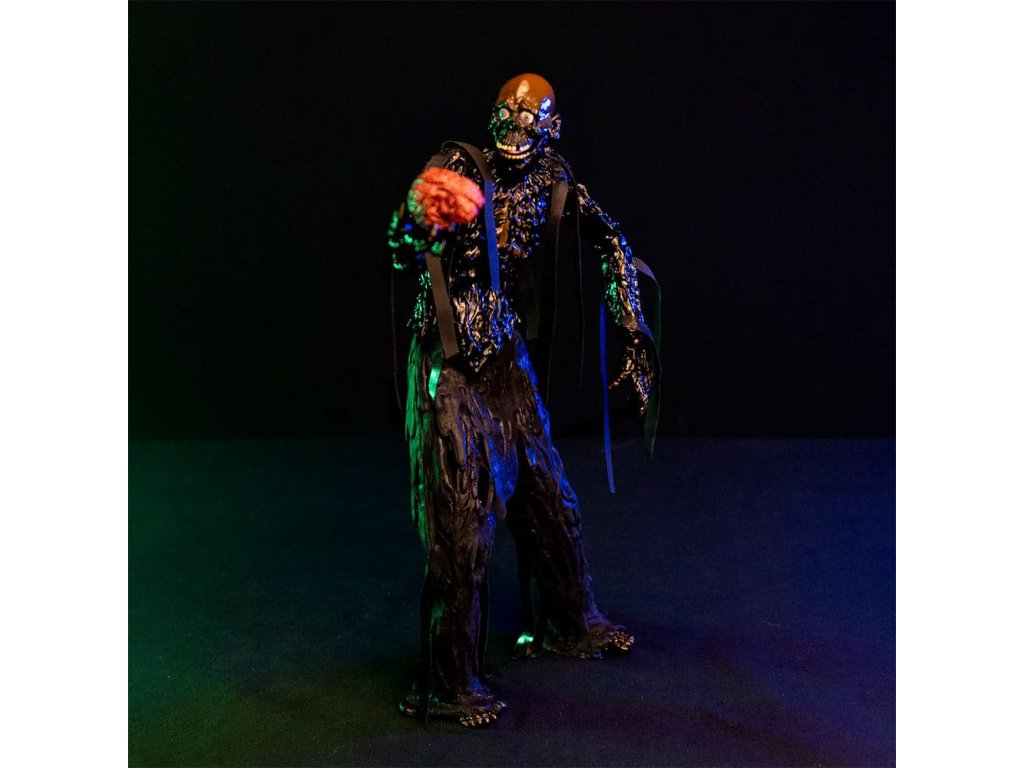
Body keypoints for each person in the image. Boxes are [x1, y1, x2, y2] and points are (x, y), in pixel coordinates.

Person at [387, 73, 657, 727]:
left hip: (505, 356)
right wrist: (419, 215)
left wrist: (634, 330)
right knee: (462, 524)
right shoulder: (459, 168)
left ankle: (573, 620)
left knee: (550, 496)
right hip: (449, 358)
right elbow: (402, 245)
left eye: (527, 121)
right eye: (504, 119)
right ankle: (448, 682)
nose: (513, 132)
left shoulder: (553, 177)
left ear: (550, 129)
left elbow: (611, 240)